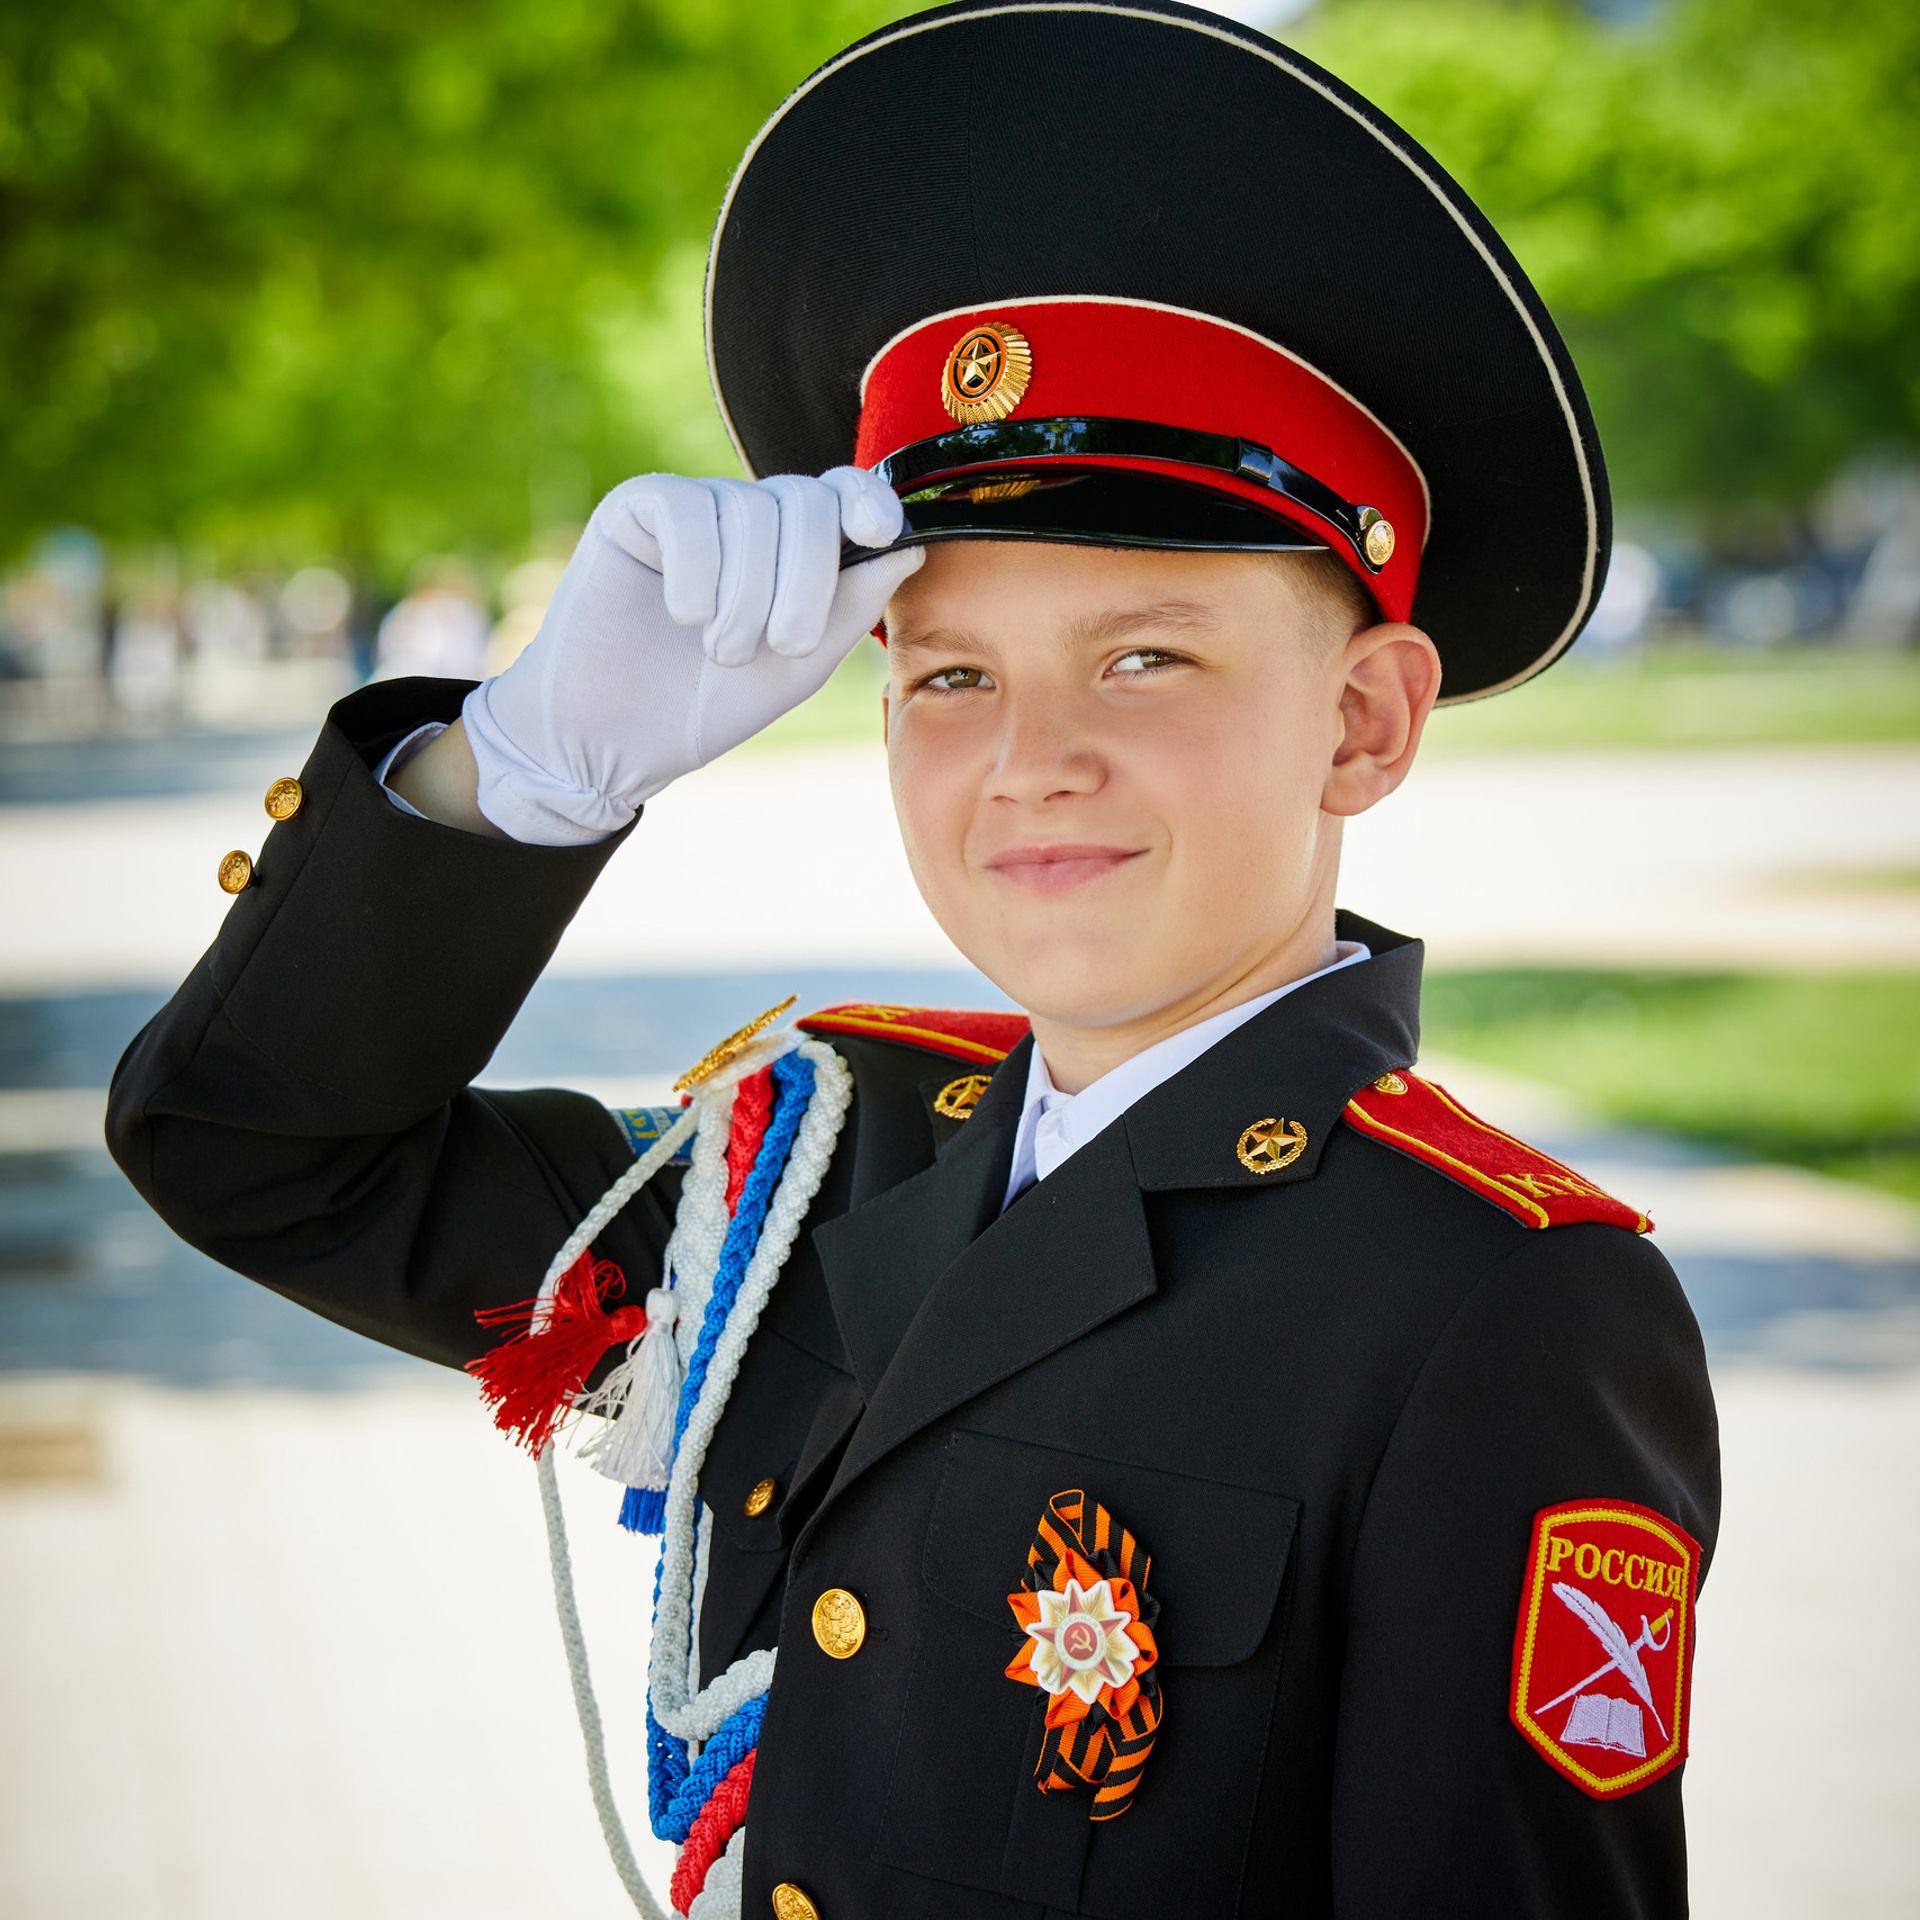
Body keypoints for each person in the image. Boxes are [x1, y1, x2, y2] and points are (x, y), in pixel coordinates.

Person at [107, 5, 1718, 1918]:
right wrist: (515, 776)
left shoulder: (1488, 1306)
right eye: (949, 674)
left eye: (1147, 654)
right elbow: (255, 1153)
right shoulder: (816, 1160)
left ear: (1363, 723)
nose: (1032, 755)